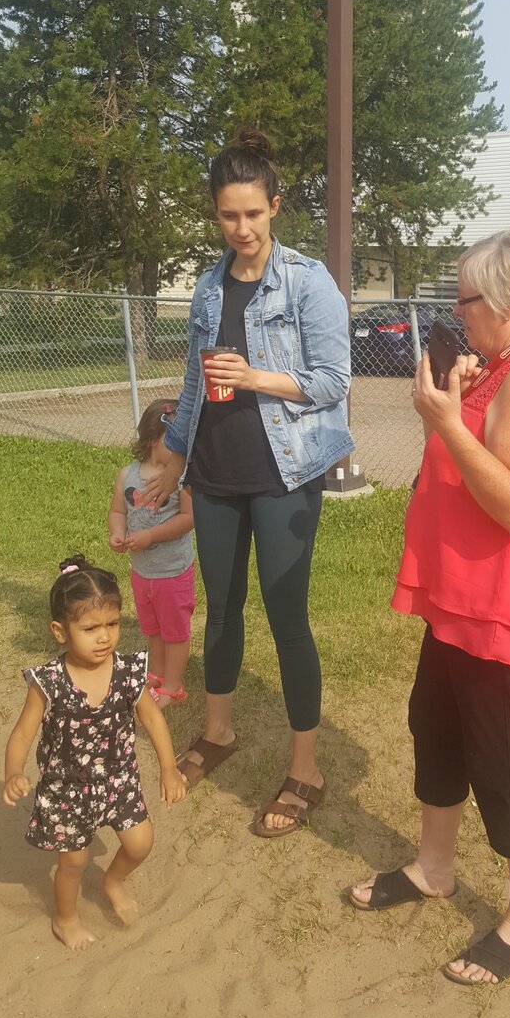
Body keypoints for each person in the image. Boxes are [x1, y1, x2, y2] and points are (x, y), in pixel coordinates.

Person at [349, 229, 510, 985]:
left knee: (503, 758)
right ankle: (434, 866)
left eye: (462, 301)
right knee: (438, 728)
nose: (456, 316)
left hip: (508, 611)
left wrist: (448, 424)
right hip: (464, 601)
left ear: (505, 304)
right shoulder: (502, 366)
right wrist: (455, 401)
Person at [141, 126, 353, 838]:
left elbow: (333, 382)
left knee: (286, 619)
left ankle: (306, 770)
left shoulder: (307, 281)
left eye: (254, 215)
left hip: (283, 475)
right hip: (217, 474)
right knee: (222, 610)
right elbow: (194, 388)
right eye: (229, 216)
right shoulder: (207, 284)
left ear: (275, 206)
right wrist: (173, 455)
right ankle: (221, 732)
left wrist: (258, 375)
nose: (242, 229)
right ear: (215, 213)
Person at [2, 555, 186, 952]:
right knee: (73, 862)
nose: (104, 637)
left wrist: (169, 769)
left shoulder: (126, 671)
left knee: (140, 843)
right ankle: (64, 917)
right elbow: (21, 734)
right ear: (60, 631)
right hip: (67, 789)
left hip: (119, 777)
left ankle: (113, 880)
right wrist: (14, 770)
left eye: (112, 624)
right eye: (90, 628)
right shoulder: (49, 683)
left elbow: (153, 721)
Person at [108, 398, 195, 707]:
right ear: (151, 440)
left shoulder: (181, 480)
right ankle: (157, 673)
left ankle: (173, 685)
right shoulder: (128, 475)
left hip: (173, 572)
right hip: (142, 573)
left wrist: (150, 536)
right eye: (173, 441)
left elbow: (188, 520)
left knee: (174, 631)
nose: (179, 449)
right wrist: (118, 533)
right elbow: (118, 511)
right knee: (153, 628)